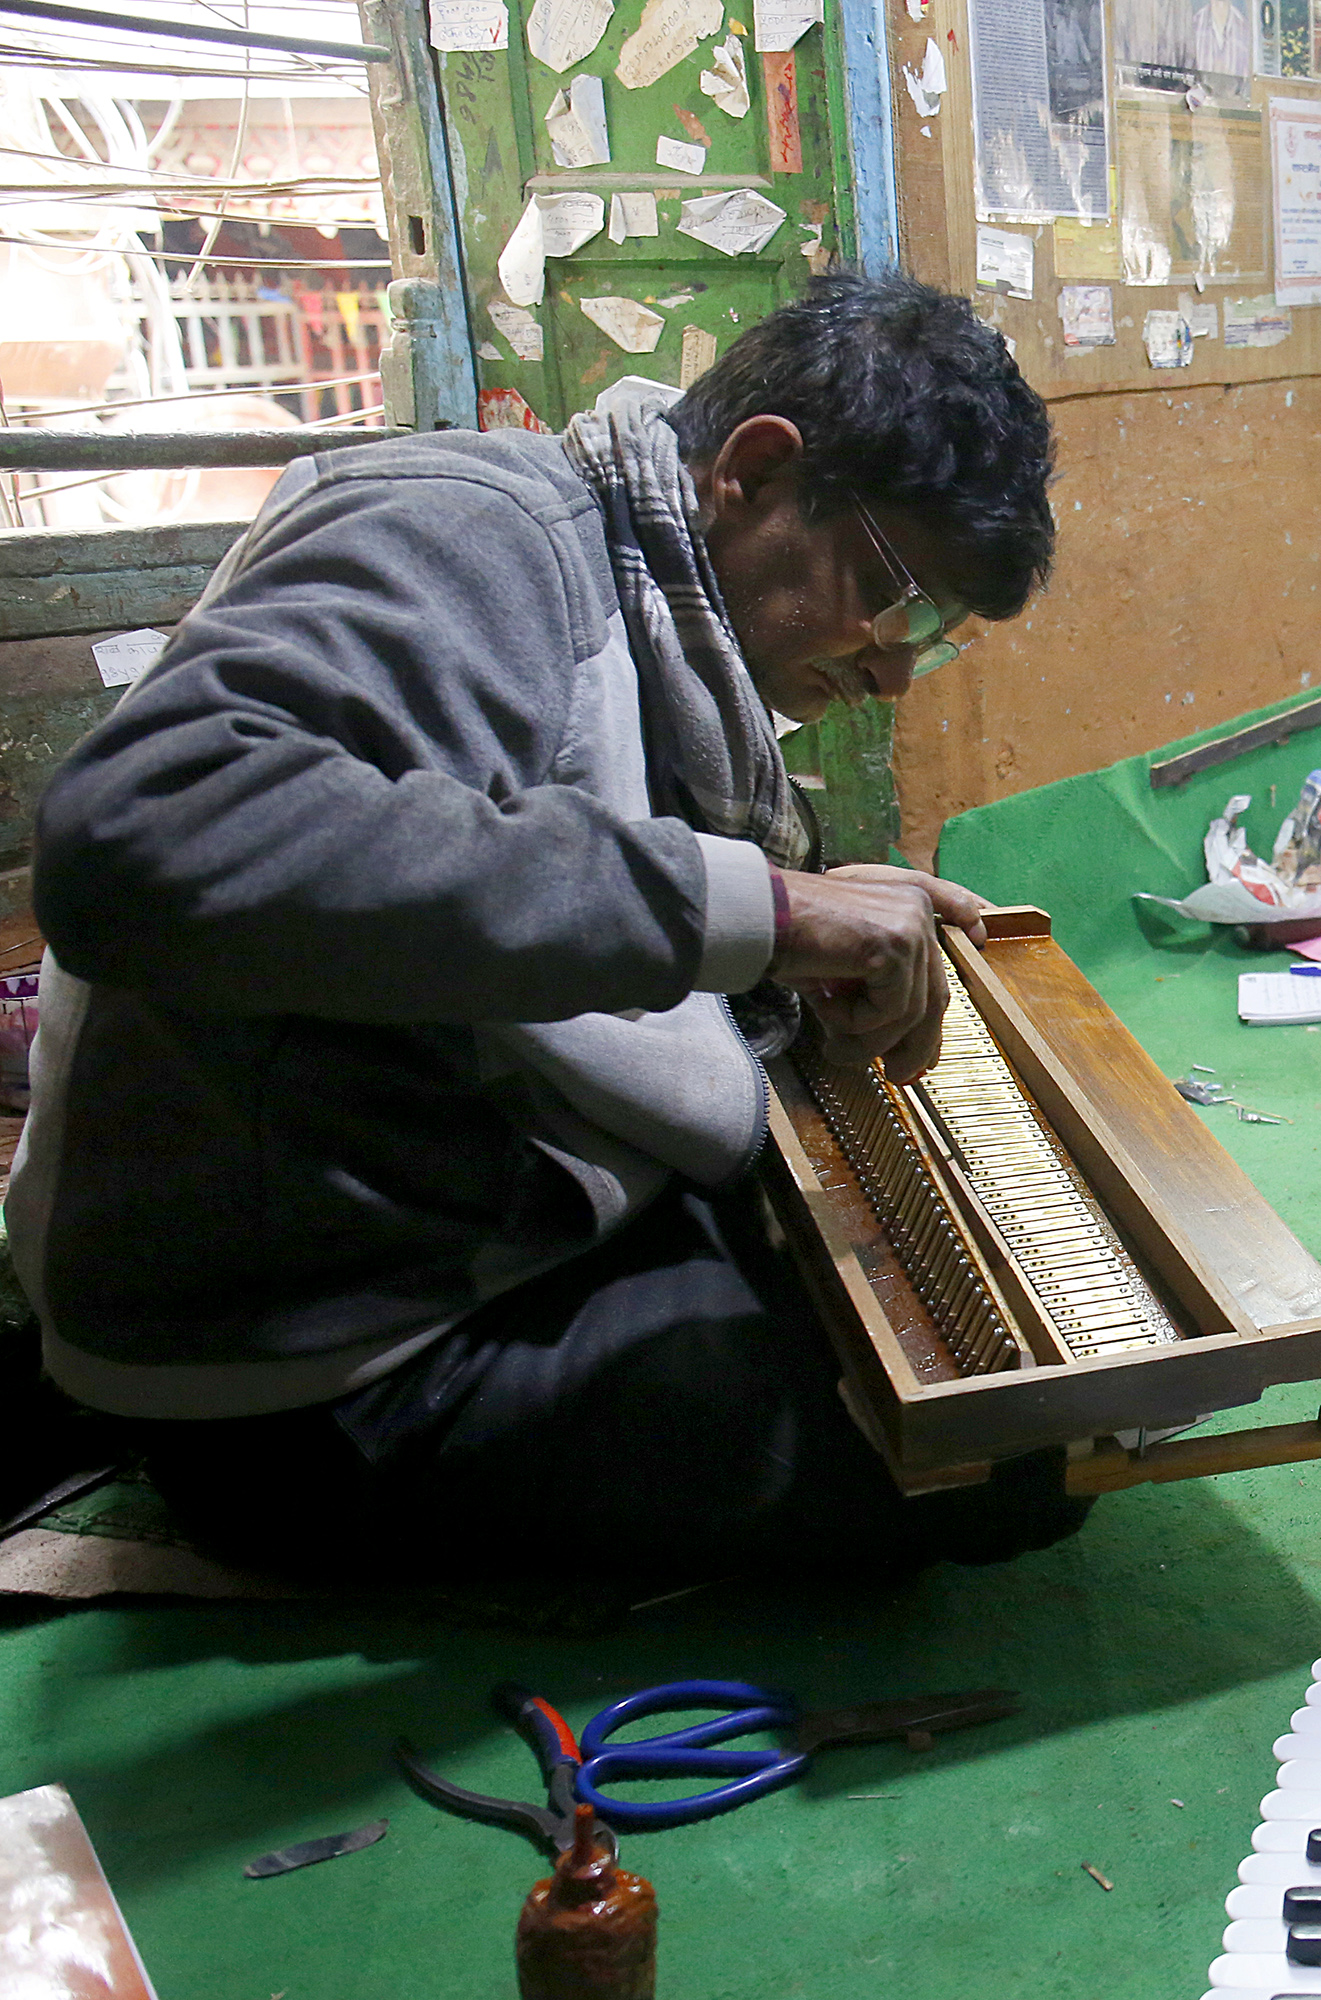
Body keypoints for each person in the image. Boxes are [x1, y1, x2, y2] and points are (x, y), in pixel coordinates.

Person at [14, 271, 1078, 1580]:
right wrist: (764, 908)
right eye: (896, 594)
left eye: (940, 632)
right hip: (309, 1375)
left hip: (469, 1236)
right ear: (753, 471)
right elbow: (144, 835)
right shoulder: (476, 536)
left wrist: (817, 910)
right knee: (1012, 1460)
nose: (896, 663)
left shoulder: (645, 603)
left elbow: (581, 873)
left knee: (947, 1335)